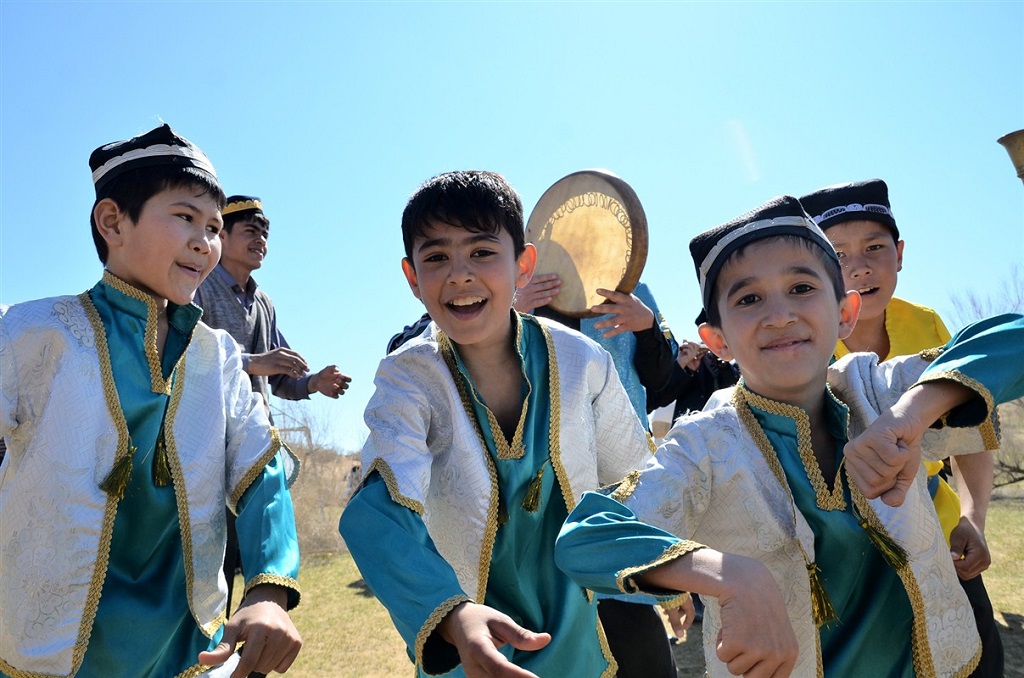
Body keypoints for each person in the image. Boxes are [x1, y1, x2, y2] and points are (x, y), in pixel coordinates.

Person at [554, 195, 1023, 677]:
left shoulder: (877, 392)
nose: (779, 315)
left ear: (845, 312)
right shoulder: (703, 445)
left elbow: (1015, 334)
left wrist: (912, 414)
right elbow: (585, 536)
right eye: (748, 298)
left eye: (801, 287)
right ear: (717, 340)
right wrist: (733, 576)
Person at [338, 170, 723, 678]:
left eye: (481, 252)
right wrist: (451, 615)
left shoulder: (582, 360)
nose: (459, 274)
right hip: (469, 620)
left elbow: (633, 479)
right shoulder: (408, 378)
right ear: (412, 277)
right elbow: (378, 512)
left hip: (589, 603)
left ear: (523, 264)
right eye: (436, 258)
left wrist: (664, 562)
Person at [0, 124, 302, 678]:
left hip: (187, 649)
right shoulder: (32, 333)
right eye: (185, 217)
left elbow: (263, 468)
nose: (204, 242)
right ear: (112, 221)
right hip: (45, 650)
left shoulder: (220, 358)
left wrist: (266, 589)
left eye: (213, 228)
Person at [801, 178, 1004, 677]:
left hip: (938, 534)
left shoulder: (928, 326)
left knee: (978, 661)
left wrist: (973, 517)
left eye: (875, 248)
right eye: (838, 253)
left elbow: (968, 432)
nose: (860, 266)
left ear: (900, 254)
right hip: (846, 559)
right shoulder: (799, 341)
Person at [514, 275, 685, 677]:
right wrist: (510, 317)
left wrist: (646, 328)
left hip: (618, 493)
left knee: (638, 646)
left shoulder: (632, 288)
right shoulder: (516, 288)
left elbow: (666, 384)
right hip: (536, 499)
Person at [193, 194, 350, 614]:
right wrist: (251, 363)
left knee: (262, 566)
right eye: (251, 230)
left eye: (265, 232)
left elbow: (279, 376)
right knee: (211, 564)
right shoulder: (198, 287)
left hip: (254, 446)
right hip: (204, 444)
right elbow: (185, 354)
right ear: (221, 235)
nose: (261, 238)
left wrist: (313, 381)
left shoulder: (263, 303)